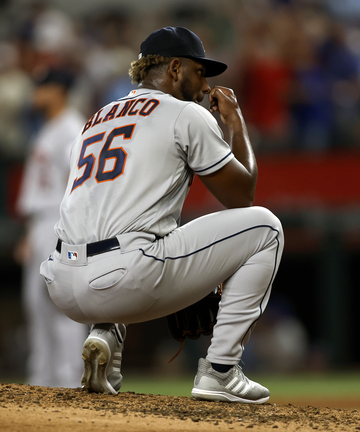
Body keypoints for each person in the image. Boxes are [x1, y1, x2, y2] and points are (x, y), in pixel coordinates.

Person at [41, 27, 284, 404]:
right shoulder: (184, 113)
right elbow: (242, 196)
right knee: (267, 228)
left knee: (124, 228)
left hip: (61, 283)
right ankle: (221, 370)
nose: (205, 87)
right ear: (174, 69)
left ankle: (106, 336)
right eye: (199, 72)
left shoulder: (94, 120)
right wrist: (235, 122)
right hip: (122, 278)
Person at [15, 68, 88, 387]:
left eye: (42, 86)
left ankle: (69, 379)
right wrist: (30, 233)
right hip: (41, 223)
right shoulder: (50, 128)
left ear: (58, 90)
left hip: (61, 224)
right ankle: (42, 380)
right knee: (36, 305)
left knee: (63, 305)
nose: (36, 91)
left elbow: (81, 184)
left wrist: (71, 231)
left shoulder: (72, 128)